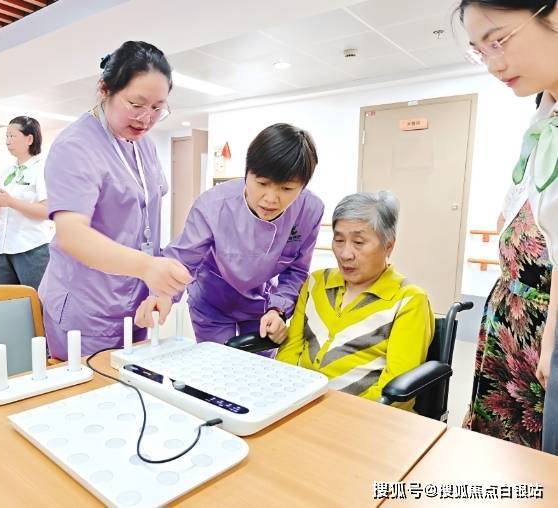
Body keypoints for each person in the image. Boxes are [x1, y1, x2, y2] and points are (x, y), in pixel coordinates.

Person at [38, 41, 191, 360]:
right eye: (136, 104)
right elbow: (71, 235)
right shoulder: (75, 146)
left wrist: (155, 284)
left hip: (134, 303)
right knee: (93, 386)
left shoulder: (143, 144)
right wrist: (147, 267)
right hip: (87, 307)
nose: (146, 118)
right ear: (104, 90)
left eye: (158, 108)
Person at [458, 0, 558, 454]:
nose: (493, 65)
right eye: (480, 51)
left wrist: (550, 336)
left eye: (498, 41)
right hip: (510, 318)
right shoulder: (543, 119)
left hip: (542, 330)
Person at [136, 123, 323, 345]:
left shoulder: (309, 210)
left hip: (262, 307)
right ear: (247, 173)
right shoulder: (214, 205)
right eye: (262, 183)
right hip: (212, 301)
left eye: (287, 189)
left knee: (257, 364)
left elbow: (296, 270)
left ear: (302, 187)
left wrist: (278, 309)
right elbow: (183, 259)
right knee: (217, 361)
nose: (271, 199)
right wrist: (161, 295)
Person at [275, 192, 434, 410]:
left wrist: (342, 413)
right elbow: (289, 351)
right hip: (297, 405)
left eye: (358, 242)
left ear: (388, 246)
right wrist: (285, 396)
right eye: (339, 240)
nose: (345, 254)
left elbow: (396, 391)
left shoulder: (409, 300)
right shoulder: (316, 282)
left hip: (361, 417)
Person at [0, 116, 50, 291]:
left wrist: (10, 202)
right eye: (6, 136)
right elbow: (0, 213)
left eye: (12, 136)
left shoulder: (42, 168)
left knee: (36, 301)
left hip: (31, 249)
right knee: (11, 302)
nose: (8, 141)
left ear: (29, 139)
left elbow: (47, 211)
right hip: (3, 249)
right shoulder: (7, 172)